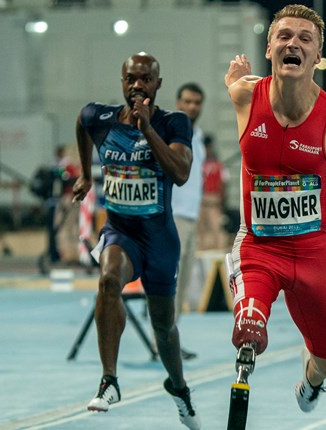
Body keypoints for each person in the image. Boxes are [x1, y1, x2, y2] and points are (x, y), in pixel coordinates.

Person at [223, 4, 326, 413]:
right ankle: (250, 318)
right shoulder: (244, 97)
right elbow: (233, 82)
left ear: (316, 56)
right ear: (270, 47)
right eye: (285, 36)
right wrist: (234, 77)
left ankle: (311, 378)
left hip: (314, 252)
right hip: (259, 247)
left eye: (305, 39)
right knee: (250, 325)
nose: (294, 43)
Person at [71, 52, 200, 429]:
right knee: (109, 279)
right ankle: (109, 380)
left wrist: (148, 130)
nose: (137, 86)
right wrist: (84, 174)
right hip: (121, 232)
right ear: (122, 80)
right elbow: (81, 120)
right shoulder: (102, 118)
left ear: (158, 84)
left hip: (159, 240)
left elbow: (180, 173)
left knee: (164, 326)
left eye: (145, 80)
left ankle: (179, 388)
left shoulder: (173, 122)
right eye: (131, 79)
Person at [172, 83, 207, 327]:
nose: (192, 106)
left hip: (191, 217)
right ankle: (161, 341)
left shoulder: (199, 137)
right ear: (178, 103)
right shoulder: (169, 132)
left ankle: (171, 337)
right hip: (172, 217)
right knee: (170, 283)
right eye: (187, 101)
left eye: (196, 102)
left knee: (183, 283)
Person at [197, 136, 229, 251]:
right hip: (201, 202)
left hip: (213, 201)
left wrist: (222, 201)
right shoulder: (199, 164)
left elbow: (224, 183)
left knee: (216, 229)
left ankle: (218, 253)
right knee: (200, 232)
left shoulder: (218, 165)